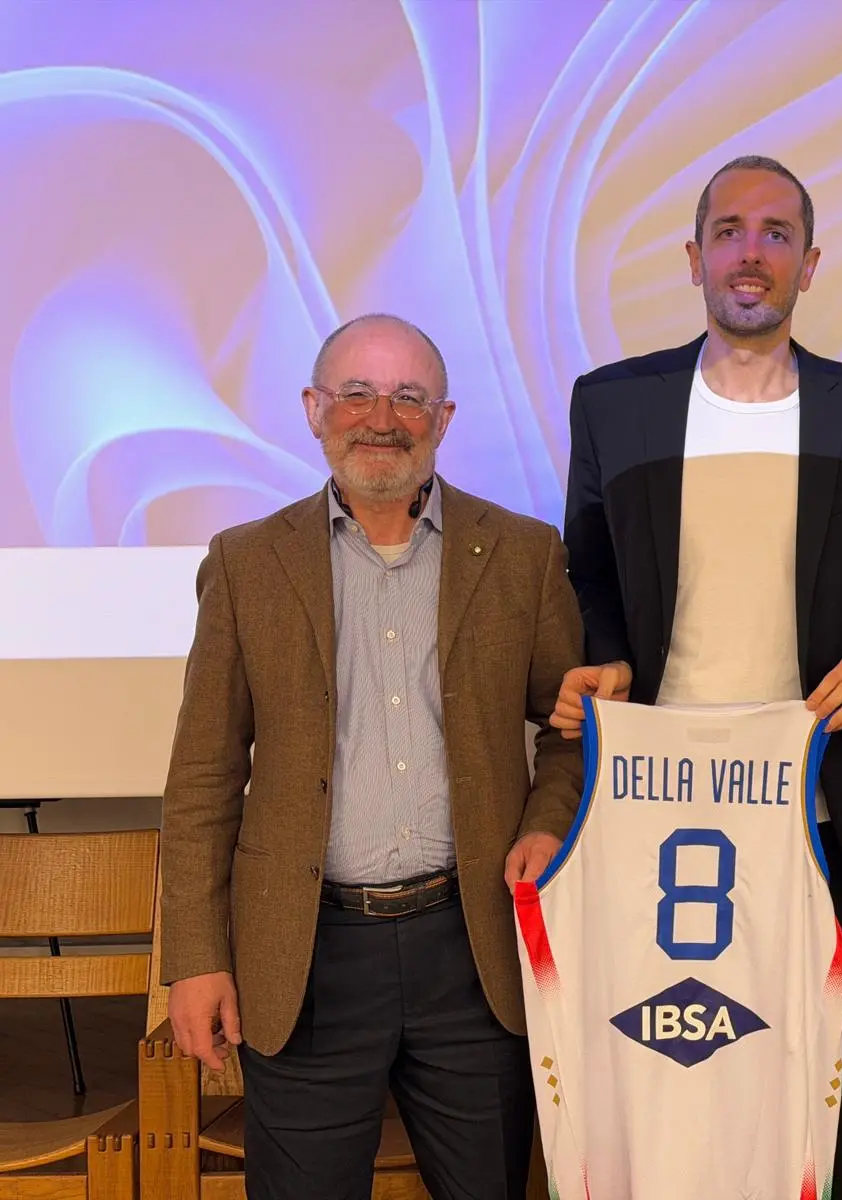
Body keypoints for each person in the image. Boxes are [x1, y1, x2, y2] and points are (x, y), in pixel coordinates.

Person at [551, 155, 842, 1197]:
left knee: (820, 1108)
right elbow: (588, 574)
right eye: (728, 231)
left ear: (810, 262)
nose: (749, 253)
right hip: (649, 814)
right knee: (663, 1100)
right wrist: (604, 655)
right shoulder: (612, 405)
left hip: (815, 816)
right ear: (693, 258)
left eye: (774, 234)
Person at [158, 313, 586, 1200]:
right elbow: (203, 777)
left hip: (473, 950)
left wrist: (548, 824)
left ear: (444, 418)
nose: (381, 418)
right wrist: (195, 956)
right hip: (305, 958)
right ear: (314, 408)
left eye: (408, 398)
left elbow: (572, 728)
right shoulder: (245, 564)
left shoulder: (523, 555)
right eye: (355, 394)